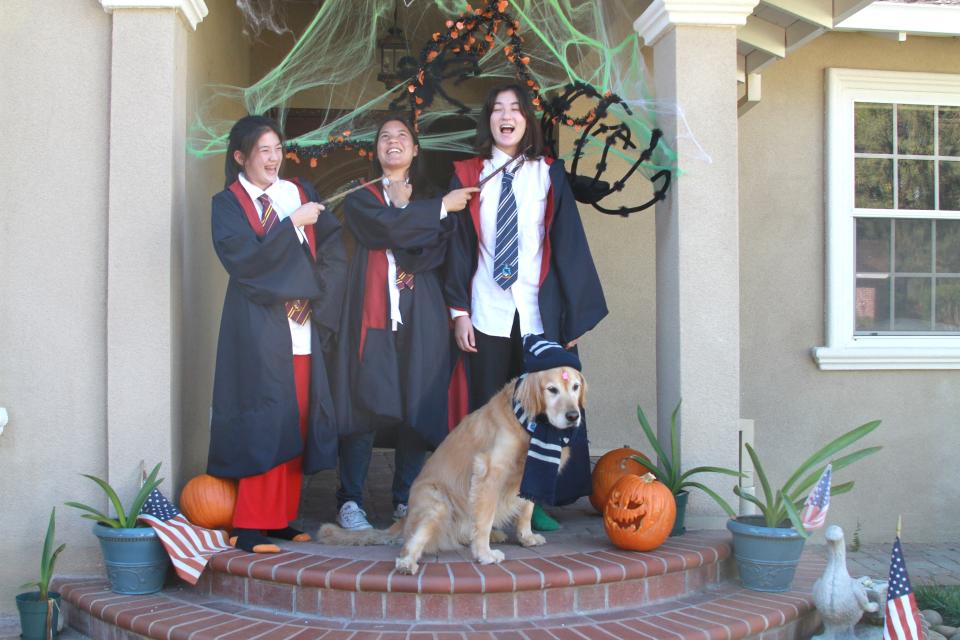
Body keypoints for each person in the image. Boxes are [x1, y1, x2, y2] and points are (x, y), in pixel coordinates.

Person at [445, 84, 608, 530]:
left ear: (527, 120)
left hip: (539, 312)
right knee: (489, 412)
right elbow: (458, 246)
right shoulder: (468, 175)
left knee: (546, 408)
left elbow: (569, 244)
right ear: (488, 120)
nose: (506, 115)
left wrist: (572, 316)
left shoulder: (548, 174)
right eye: (497, 108)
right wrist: (459, 311)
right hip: (487, 308)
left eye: (515, 108)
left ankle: (534, 504)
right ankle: (483, 503)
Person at [330, 115, 478, 530]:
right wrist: (430, 213)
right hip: (372, 317)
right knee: (364, 406)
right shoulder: (360, 197)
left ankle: (404, 499)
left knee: (418, 406)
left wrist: (411, 215)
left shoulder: (433, 194)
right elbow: (378, 230)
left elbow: (432, 253)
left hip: (422, 318)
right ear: (376, 150)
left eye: (401, 137)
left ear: (415, 150)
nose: (392, 141)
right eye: (384, 136)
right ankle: (350, 501)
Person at [209, 115, 347, 553]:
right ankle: (247, 525)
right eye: (262, 150)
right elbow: (245, 263)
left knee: (297, 417)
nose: (273, 158)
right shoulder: (227, 204)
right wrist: (290, 225)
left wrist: (320, 291)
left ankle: (279, 518)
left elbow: (331, 246)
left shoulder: (299, 192)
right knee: (263, 416)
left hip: (302, 324)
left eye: (277, 148)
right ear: (240, 157)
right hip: (257, 327)